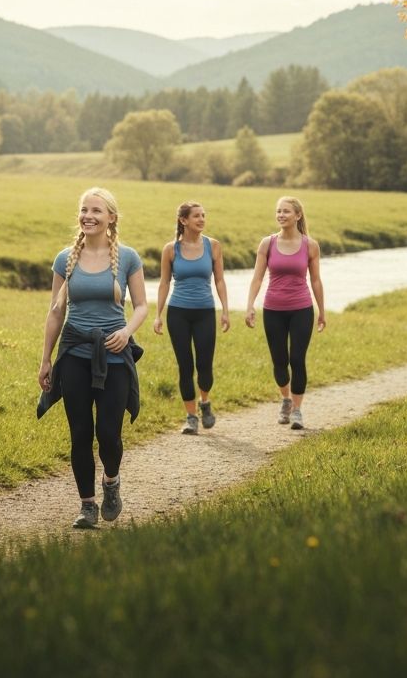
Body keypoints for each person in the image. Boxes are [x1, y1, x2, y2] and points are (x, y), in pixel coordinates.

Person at [37, 187, 148, 529]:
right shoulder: (64, 259)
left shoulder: (127, 257)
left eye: (97, 210)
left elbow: (142, 305)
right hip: (74, 353)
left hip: (113, 354)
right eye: (84, 210)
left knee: (109, 433)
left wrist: (126, 332)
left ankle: (111, 483)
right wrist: (46, 360)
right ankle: (87, 504)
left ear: (111, 218)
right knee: (80, 432)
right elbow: (56, 312)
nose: (89, 215)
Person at [244, 195, 326, 430]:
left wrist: (321, 311)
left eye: (286, 211)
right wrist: (250, 305)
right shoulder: (267, 243)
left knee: (297, 359)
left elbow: (317, 281)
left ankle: (298, 410)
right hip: (273, 309)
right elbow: (257, 278)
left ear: (297, 216)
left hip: (301, 308)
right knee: (279, 361)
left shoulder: (310, 245)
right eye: (278, 211)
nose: (281, 215)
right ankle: (286, 399)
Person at [153, 201, 230, 435]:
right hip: (178, 313)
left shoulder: (213, 246)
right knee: (185, 367)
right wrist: (158, 315)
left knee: (204, 366)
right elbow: (164, 282)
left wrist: (225, 310)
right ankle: (191, 417)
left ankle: (204, 402)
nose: (202, 219)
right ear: (183, 220)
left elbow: (219, 280)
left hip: (205, 312)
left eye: (204, 215)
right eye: (196, 216)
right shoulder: (170, 250)